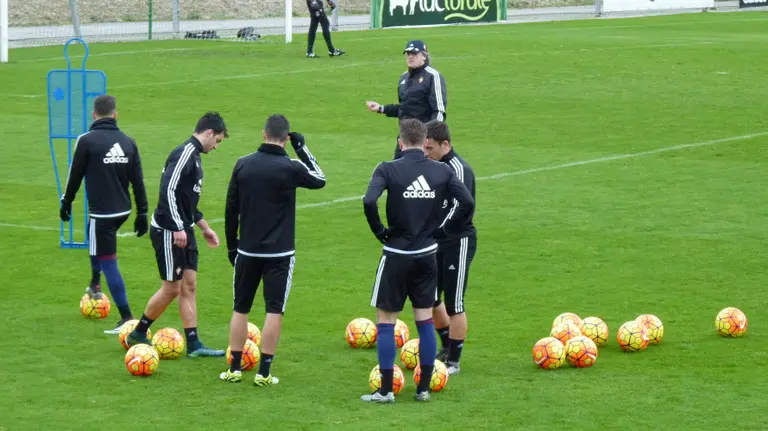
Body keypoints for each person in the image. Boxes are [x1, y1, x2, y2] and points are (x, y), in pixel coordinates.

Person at [360, 118, 474, 403]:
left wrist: (380, 231)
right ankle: (423, 388)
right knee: (424, 320)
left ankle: (386, 390)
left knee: (386, 321)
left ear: (400, 142)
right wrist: (442, 231)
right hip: (427, 256)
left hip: (396, 254)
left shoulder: (387, 168)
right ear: (424, 143)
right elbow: (467, 203)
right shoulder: (441, 171)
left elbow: (369, 201)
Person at [219, 115, 326, 385]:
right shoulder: (290, 167)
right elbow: (319, 178)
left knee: (240, 308)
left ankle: (233, 368)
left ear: (264, 133)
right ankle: (264, 373)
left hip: (248, 251)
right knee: (273, 310)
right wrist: (302, 148)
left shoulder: (243, 164)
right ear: (286, 138)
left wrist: (233, 246)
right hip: (279, 253)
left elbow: (230, 210)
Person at [125, 112, 228, 358]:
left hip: (185, 229)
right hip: (168, 231)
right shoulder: (184, 153)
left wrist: (204, 228)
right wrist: (177, 226)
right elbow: (168, 190)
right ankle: (138, 333)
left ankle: (194, 344)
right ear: (208, 133)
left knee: (189, 285)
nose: (216, 147)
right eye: (218, 141)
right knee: (172, 288)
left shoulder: (196, 158)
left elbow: (187, 201)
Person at [59, 94, 148, 334]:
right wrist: (142, 212)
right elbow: (137, 181)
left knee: (109, 261)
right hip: (123, 210)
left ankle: (127, 317)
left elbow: (75, 174)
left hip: (103, 214)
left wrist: (66, 201)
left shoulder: (86, 140)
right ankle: (94, 283)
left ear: (93, 114)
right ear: (115, 115)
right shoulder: (128, 142)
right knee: (93, 236)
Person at [423, 120, 477, 376]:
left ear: (445, 144)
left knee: (454, 301)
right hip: (435, 242)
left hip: (458, 240)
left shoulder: (458, 168)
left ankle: (454, 360)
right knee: (431, 298)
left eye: (430, 147)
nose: (426, 152)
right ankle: (446, 345)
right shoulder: (432, 166)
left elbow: (462, 206)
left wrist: (439, 230)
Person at [365, 40, 447, 160]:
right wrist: (381, 108)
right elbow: (404, 108)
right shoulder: (404, 78)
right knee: (397, 174)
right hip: (405, 137)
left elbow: (439, 111)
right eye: (408, 54)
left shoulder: (433, 76)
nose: (410, 57)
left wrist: (429, 137)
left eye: (414, 54)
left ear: (424, 56)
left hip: (423, 139)